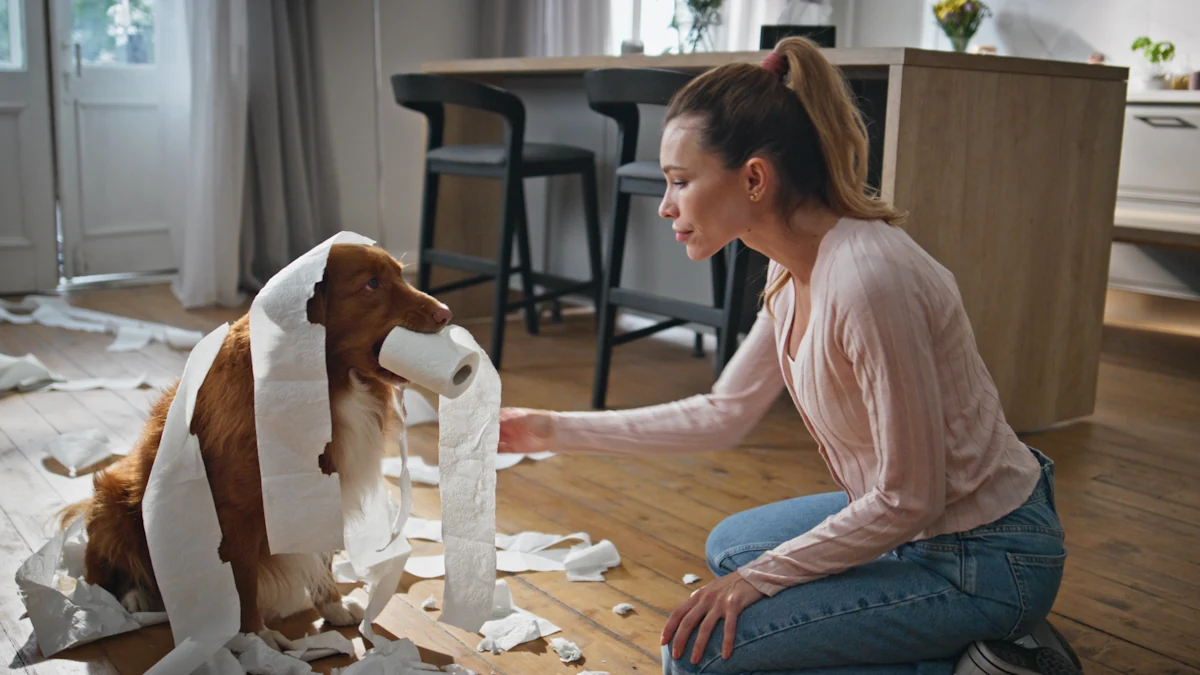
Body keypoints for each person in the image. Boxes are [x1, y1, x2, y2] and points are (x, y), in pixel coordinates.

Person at [497, 37, 1082, 675]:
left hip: (986, 556)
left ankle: (987, 661)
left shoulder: (867, 281)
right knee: (731, 547)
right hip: (921, 525)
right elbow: (724, 412)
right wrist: (549, 429)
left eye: (680, 181)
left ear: (754, 179)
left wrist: (759, 581)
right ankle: (949, 641)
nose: (665, 205)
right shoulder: (789, 269)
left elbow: (908, 496)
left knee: (696, 658)